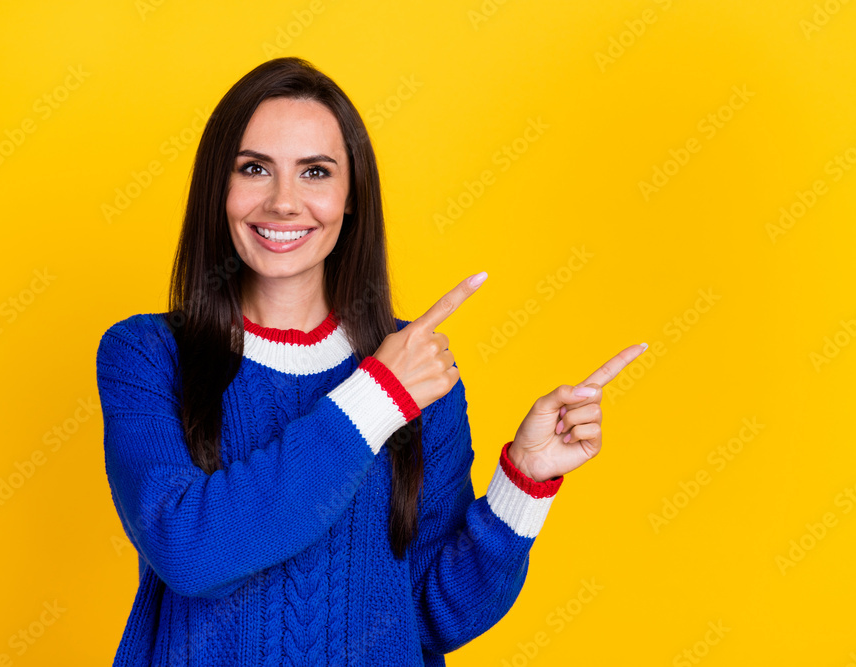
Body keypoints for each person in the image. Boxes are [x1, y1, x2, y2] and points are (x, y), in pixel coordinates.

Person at [96, 56, 645, 666]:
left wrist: (522, 482)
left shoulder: (416, 364)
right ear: (216, 189)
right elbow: (191, 552)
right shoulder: (145, 355)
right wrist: (376, 396)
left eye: (315, 172)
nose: (283, 201)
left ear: (351, 197)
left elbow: (434, 615)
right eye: (254, 169)